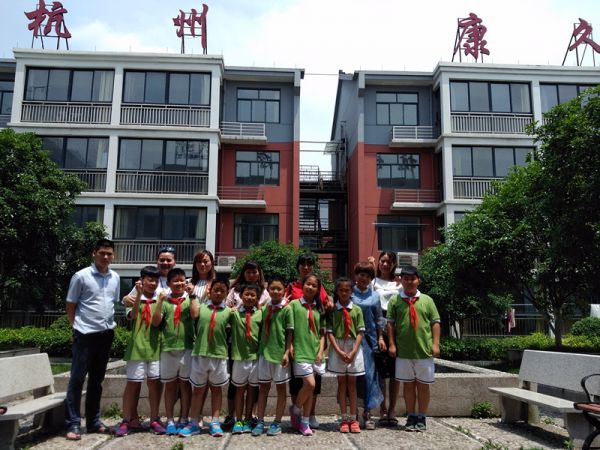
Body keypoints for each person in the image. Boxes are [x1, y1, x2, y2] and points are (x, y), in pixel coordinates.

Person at [65, 239, 120, 441]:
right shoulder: (81, 276)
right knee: (77, 379)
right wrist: (76, 327)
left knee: (97, 380)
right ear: (94, 253)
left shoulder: (115, 277)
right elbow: (71, 304)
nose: (105, 257)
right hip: (85, 334)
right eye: (102, 253)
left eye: (109, 254)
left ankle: (93, 421)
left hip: (106, 334)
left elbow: (112, 303)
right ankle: (73, 423)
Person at [387, 266, 441, 432]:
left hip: (424, 350)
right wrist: (391, 344)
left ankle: (422, 417)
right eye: (406, 278)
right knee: (408, 385)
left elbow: (435, 323)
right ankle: (411, 416)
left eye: (413, 279)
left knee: (423, 386)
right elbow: (390, 324)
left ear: (418, 281)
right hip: (403, 351)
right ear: (401, 280)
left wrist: (435, 344)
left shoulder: (427, 300)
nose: (409, 282)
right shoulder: (395, 301)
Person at [115, 266, 165, 437]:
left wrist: (160, 302)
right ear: (142, 280)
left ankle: (154, 419)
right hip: (136, 348)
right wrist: (138, 296)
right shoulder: (133, 298)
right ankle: (126, 419)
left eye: (155, 280)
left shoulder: (161, 298)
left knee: (154, 384)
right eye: (149, 280)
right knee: (133, 384)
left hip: (155, 348)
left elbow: (157, 322)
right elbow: (134, 316)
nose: (152, 283)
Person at [181, 276, 232, 438]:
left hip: (219, 355)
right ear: (209, 291)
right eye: (215, 290)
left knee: (217, 390)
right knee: (198, 391)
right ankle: (194, 422)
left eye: (222, 291)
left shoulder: (229, 312)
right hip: (200, 354)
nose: (218, 293)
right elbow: (194, 314)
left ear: (227, 293)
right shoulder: (201, 307)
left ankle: (215, 422)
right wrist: (192, 295)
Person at [287, 253, 331, 430]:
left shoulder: (318, 290)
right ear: (298, 266)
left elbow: (327, 303)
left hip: (314, 344)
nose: (306, 267)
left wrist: (330, 303)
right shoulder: (292, 287)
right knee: (297, 383)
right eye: (303, 264)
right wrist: (289, 345)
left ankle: (309, 414)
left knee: (314, 384)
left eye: (309, 264)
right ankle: (297, 414)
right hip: (298, 342)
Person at [223, 260, 268, 428]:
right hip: (238, 350)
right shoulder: (234, 293)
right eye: (248, 271)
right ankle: (235, 417)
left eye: (254, 271)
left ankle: (250, 417)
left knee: (253, 388)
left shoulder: (264, 296)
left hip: (256, 354)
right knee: (237, 387)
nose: (251, 275)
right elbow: (224, 311)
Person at [151, 268, 195, 435]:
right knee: (170, 385)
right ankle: (169, 419)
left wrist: (192, 296)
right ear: (168, 283)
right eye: (175, 281)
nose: (179, 283)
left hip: (187, 347)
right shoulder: (164, 301)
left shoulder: (189, 299)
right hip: (168, 348)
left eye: (182, 280)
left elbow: (195, 315)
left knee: (185, 385)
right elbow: (156, 323)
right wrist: (160, 302)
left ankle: (184, 418)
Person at [252, 276, 293, 437]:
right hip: (264, 353)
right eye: (272, 288)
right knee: (263, 388)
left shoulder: (287, 309)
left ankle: (277, 422)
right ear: (268, 290)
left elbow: (290, 332)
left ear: (284, 290)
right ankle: (260, 421)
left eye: (279, 289)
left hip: (279, 355)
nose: (275, 291)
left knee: (281, 388)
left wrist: (287, 352)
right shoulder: (265, 308)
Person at [327, 276, 365, 434]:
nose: (344, 293)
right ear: (337, 291)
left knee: (352, 384)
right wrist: (338, 350)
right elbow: (329, 332)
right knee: (342, 384)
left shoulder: (356, 309)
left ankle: (353, 418)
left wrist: (354, 350)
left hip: (353, 346)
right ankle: (344, 418)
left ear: (351, 292)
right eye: (341, 290)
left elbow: (360, 332)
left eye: (347, 290)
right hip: (338, 345)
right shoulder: (332, 311)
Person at [351, 261, 385, 430]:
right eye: (361, 274)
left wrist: (381, 338)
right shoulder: (349, 293)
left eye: (367, 275)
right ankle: (353, 413)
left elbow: (379, 318)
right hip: (351, 340)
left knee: (370, 377)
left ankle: (368, 412)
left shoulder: (375, 296)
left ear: (371, 278)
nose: (363, 278)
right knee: (353, 376)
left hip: (370, 341)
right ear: (356, 275)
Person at [368, 251, 401, 426]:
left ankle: (392, 409)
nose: (385, 264)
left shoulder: (399, 284)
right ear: (379, 262)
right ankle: (382, 410)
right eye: (383, 261)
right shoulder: (373, 283)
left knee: (395, 373)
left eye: (389, 262)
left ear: (394, 264)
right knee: (380, 372)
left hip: (396, 329)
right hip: (378, 329)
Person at [230, 284, 263, 435]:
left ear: (257, 298)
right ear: (241, 296)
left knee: (252, 390)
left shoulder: (260, 314)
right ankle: (238, 420)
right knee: (239, 390)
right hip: (239, 357)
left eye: (253, 295)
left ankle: (248, 419)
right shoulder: (234, 314)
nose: (249, 297)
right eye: (246, 294)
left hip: (255, 358)